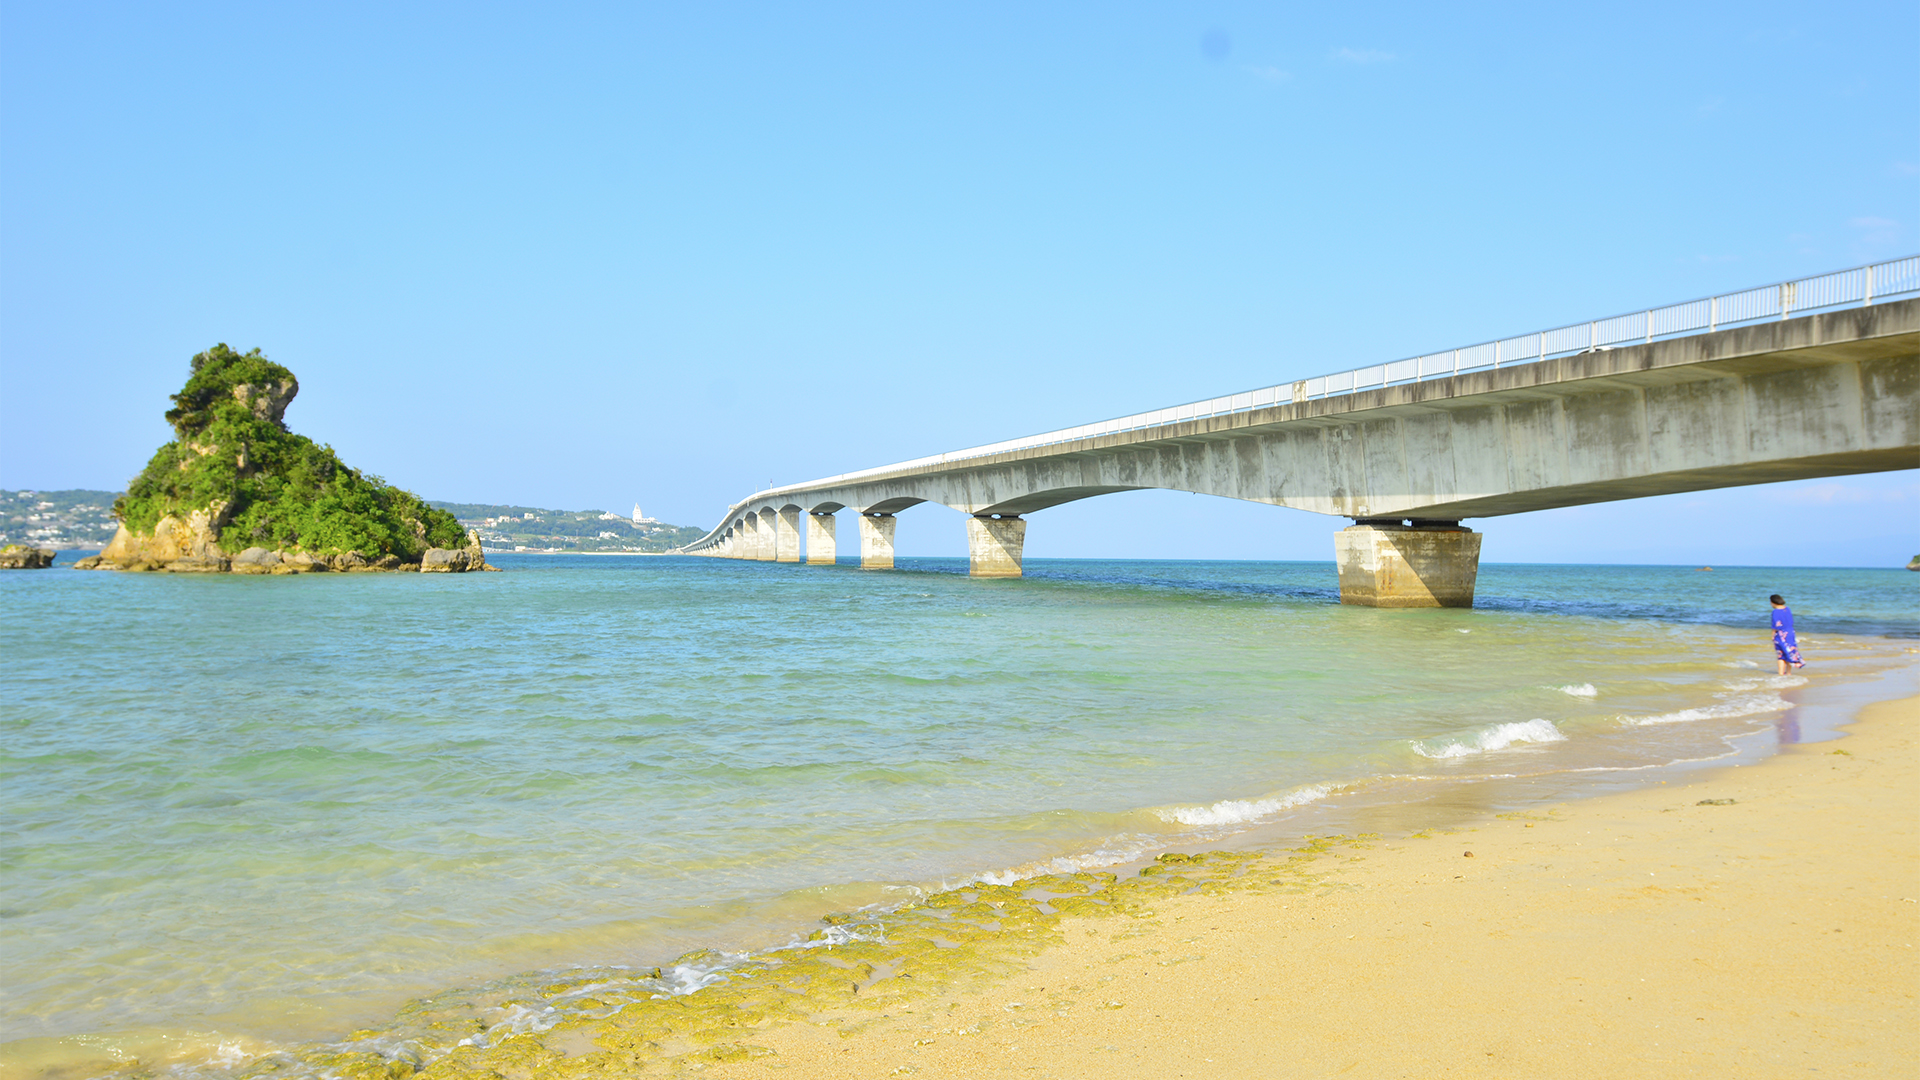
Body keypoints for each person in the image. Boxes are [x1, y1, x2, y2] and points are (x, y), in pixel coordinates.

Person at [1769, 594, 1806, 675]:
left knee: (1781, 654)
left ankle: (1781, 673)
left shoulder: (1775, 612)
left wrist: (1772, 635)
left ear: (1773, 602)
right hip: (1790, 633)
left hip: (1781, 634)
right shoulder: (1787, 609)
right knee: (1789, 652)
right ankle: (1788, 672)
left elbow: (1776, 625)